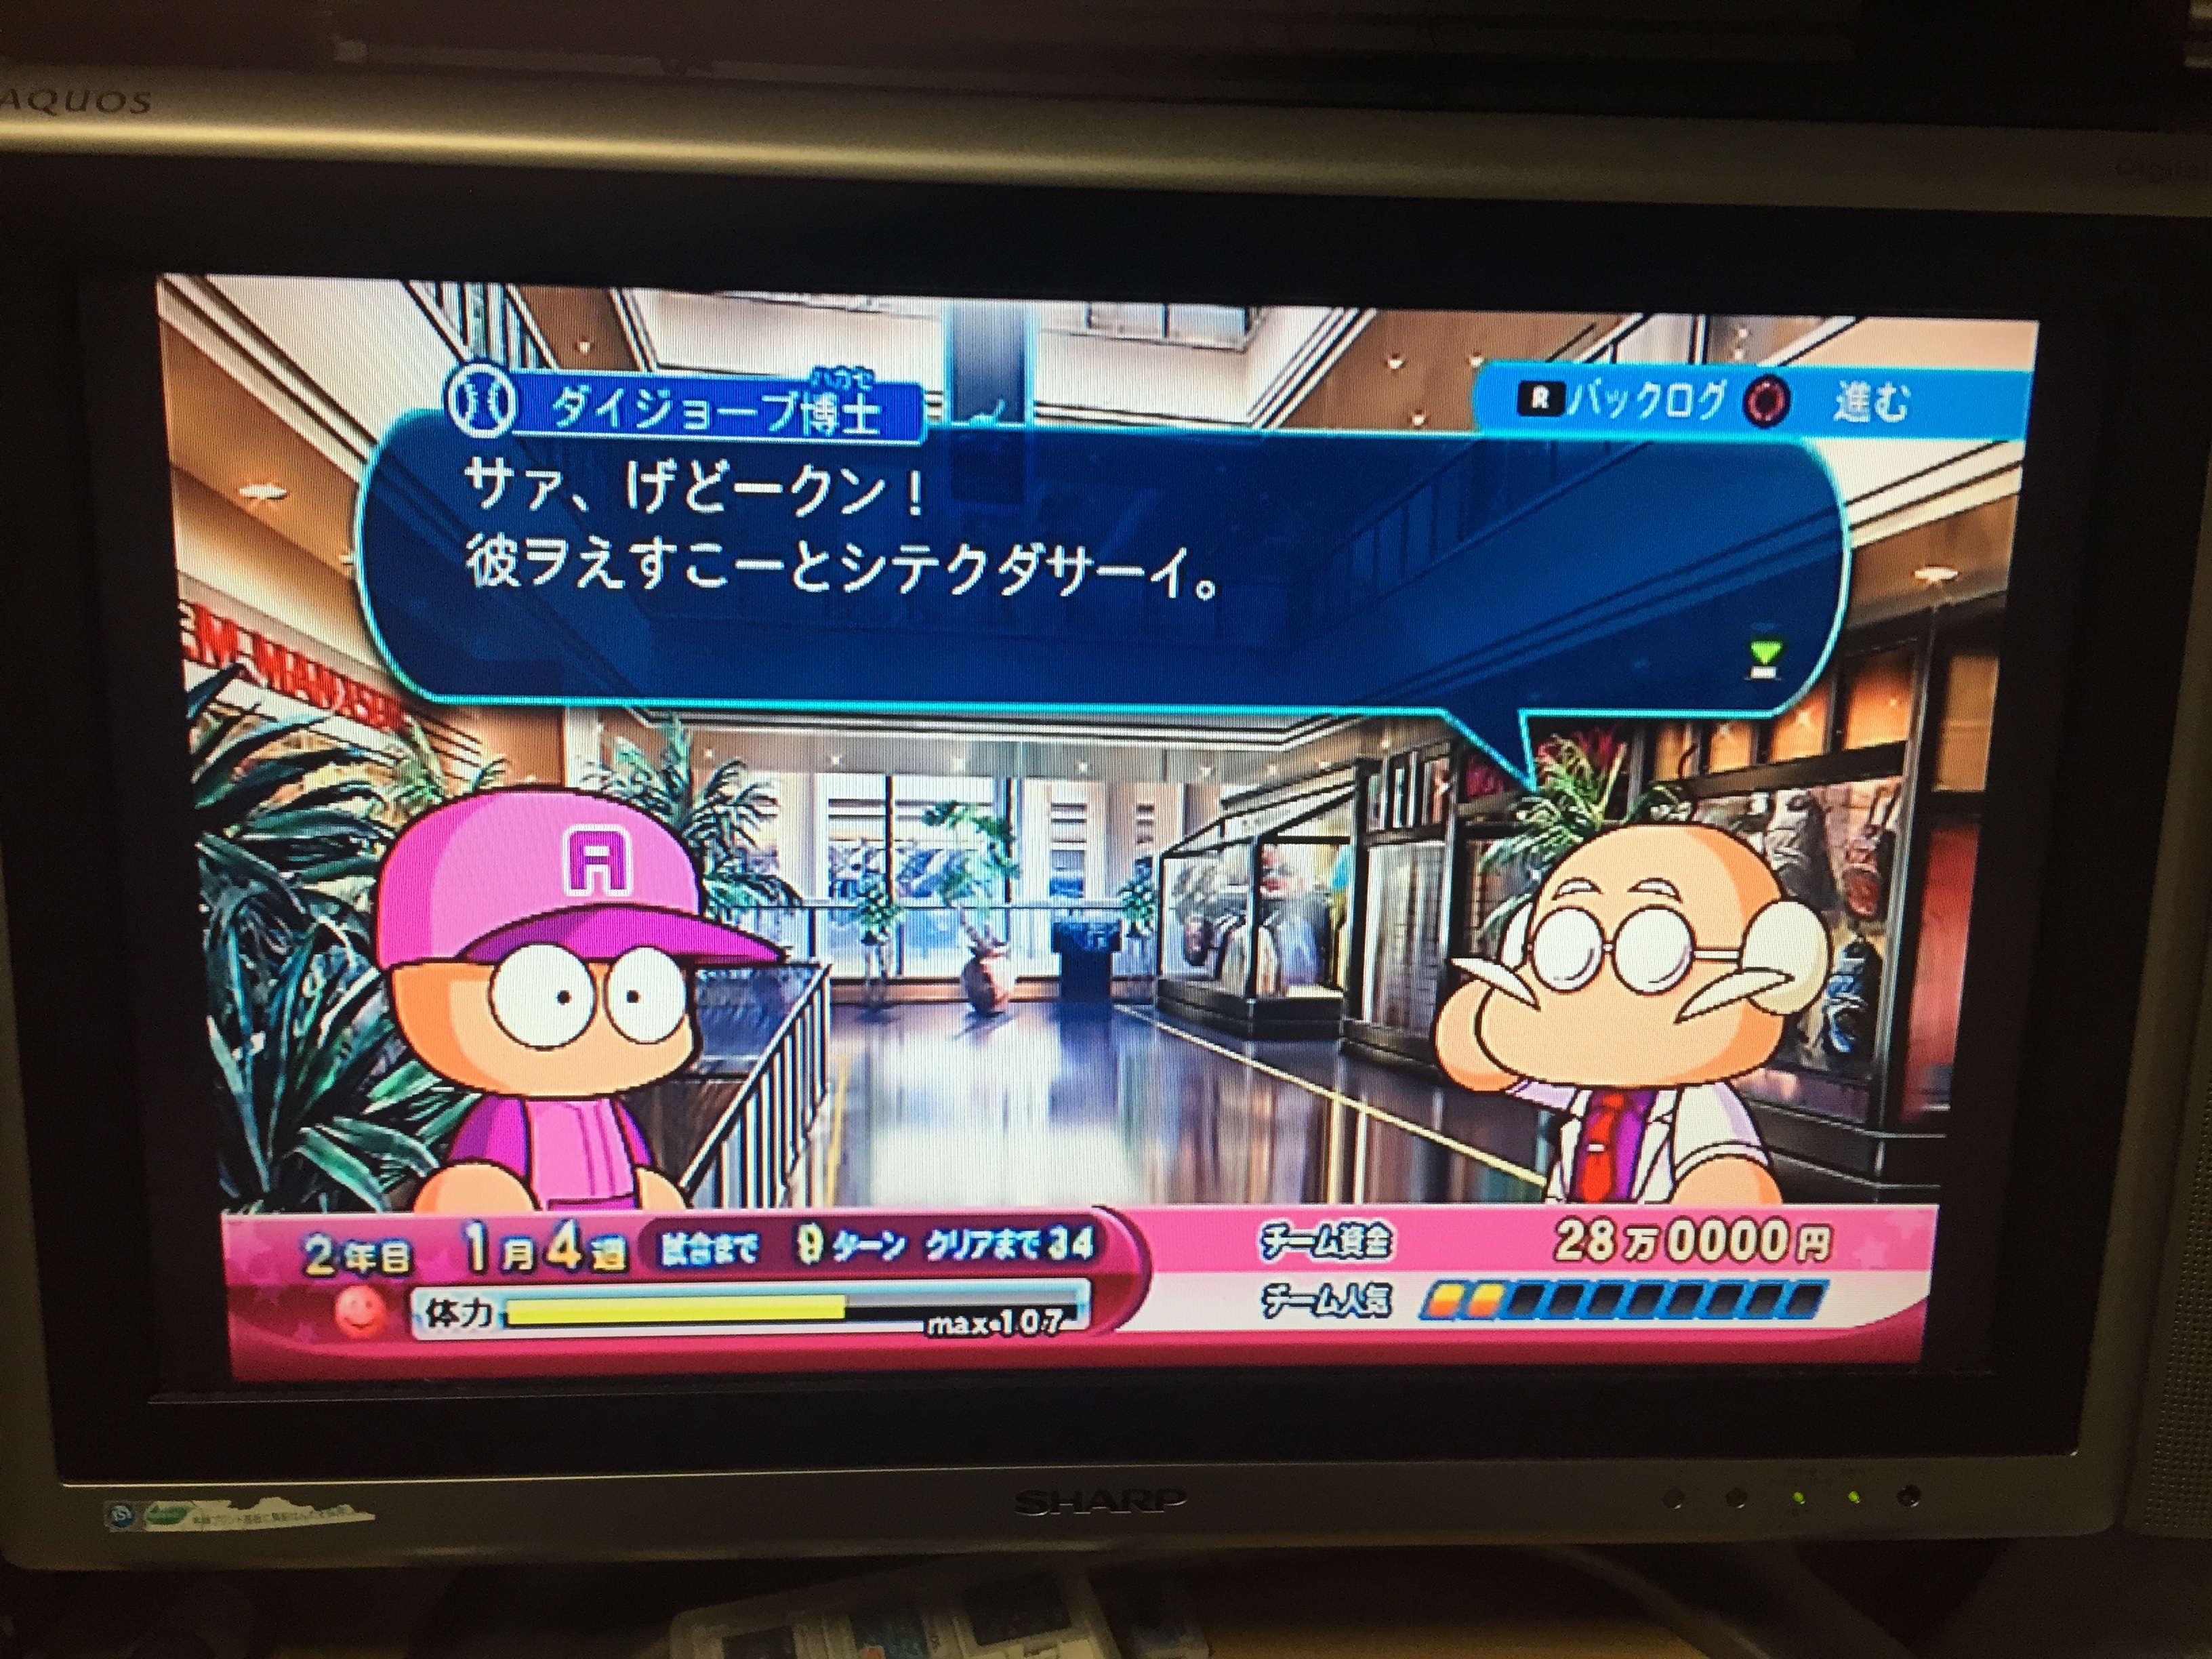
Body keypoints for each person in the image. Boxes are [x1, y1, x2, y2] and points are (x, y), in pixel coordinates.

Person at [372, 789, 781, 1213]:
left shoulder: (612, 1115)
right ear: (417, 987)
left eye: (640, 995)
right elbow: (478, 1190)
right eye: (552, 996)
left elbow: (640, 1177)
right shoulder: (510, 1121)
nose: (604, 1028)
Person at [1434, 823, 1830, 1206]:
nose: (1602, 991)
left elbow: (1729, 1181)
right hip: (1569, 1240)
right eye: (1565, 951)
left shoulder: (1700, 1105)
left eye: (1657, 952)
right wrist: (1484, 1028)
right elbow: (1499, 1070)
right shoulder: (1589, 1082)